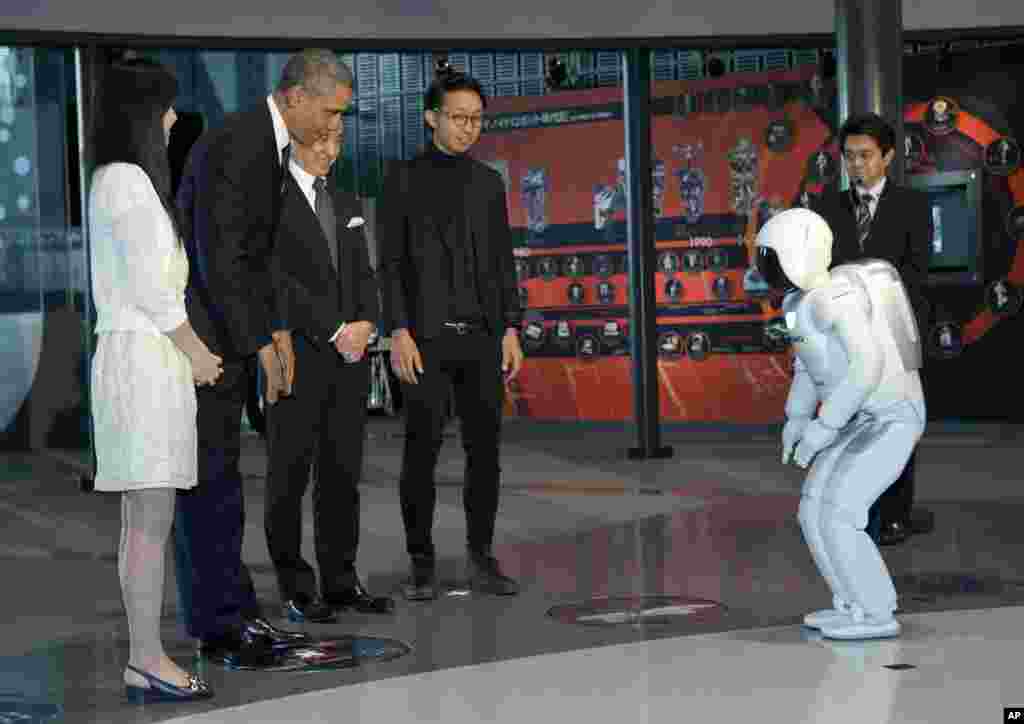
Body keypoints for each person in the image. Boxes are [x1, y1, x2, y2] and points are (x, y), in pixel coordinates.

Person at [174, 48, 353, 666]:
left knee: (222, 484)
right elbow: (220, 258)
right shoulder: (242, 145)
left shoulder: (266, 146)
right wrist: (259, 340)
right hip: (205, 346)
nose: (333, 126)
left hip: (228, 338)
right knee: (209, 487)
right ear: (297, 97)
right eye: (329, 111)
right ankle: (221, 625)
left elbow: (260, 257)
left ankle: (235, 615)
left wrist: (272, 330)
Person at [88, 58, 218, 702]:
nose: (173, 119)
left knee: (144, 518)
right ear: (141, 112)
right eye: (165, 107)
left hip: (142, 361)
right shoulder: (128, 182)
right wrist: (196, 352)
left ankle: (144, 654)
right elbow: (152, 289)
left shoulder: (114, 180)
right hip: (144, 361)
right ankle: (145, 657)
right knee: (148, 520)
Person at [378, 71, 524, 601]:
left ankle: (482, 558)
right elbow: (389, 263)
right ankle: (421, 563)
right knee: (422, 451)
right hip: (425, 341)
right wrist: (398, 329)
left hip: (482, 339)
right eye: (459, 118)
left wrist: (511, 326)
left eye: (477, 120)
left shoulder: (489, 184)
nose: (469, 128)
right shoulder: (401, 178)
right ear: (431, 117)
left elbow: (504, 264)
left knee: (485, 453)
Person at [756, 207, 926, 640]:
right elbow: (806, 368)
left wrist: (823, 426)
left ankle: (875, 611)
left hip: (891, 416)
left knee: (839, 513)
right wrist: (796, 418)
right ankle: (850, 603)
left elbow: (867, 365)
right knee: (813, 510)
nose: (764, 269)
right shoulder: (796, 304)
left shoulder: (836, 298)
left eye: (770, 258)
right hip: (853, 418)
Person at [264, 126, 393, 622]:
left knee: (342, 474)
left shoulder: (344, 198)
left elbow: (365, 271)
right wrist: (336, 328)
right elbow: (278, 280)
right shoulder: (270, 200)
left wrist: (366, 323)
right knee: (289, 475)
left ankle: (340, 580)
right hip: (296, 353)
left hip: (350, 358)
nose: (330, 152)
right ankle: (296, 587)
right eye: (320, 142)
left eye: (336, 144)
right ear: (293, 138)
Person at [811, 112, 932, 546]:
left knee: (898, 425)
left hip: (895, 333)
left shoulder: (913, 206)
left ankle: (896, 514)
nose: (856, 165)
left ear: (888, 156)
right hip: (844, 338)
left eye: (865, 156)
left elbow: (919, 274)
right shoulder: (826, 207)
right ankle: (851, 508)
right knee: (848, 424)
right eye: (849, 157)